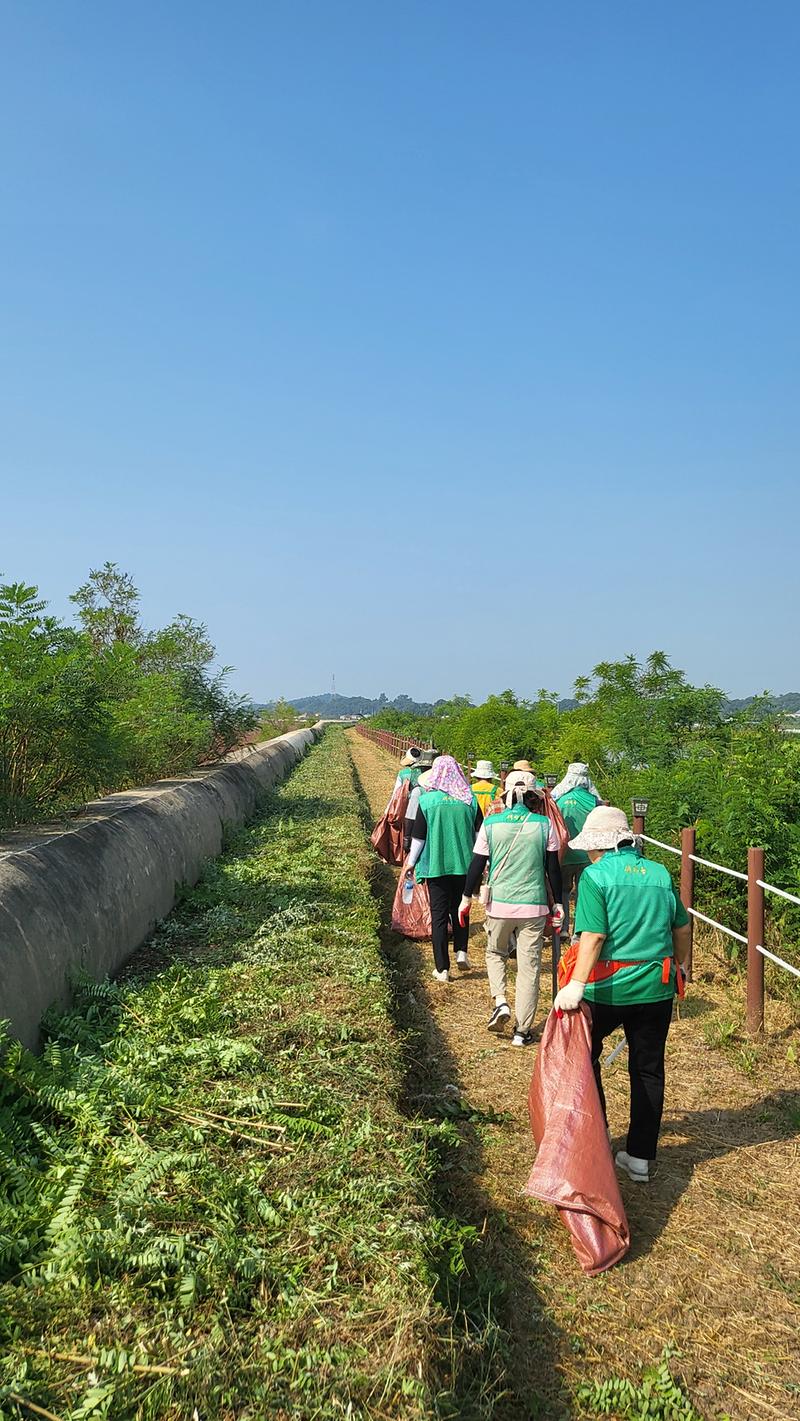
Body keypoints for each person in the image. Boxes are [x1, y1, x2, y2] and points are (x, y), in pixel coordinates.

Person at [552, 806, 691, 1183]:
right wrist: (679, 965)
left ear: (600, 846)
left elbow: (593, 937)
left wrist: (575, 985)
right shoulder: (660, 874)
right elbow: (682, 926)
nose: (590, 855)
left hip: (605, 989)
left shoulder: (596, 878)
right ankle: (641, 1157)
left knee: (586, 1059)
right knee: (648, 1069)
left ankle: (596, 1139)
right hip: (656, 989)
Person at [460, 770, 563, 1046]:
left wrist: (466, 898)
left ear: (505, 796)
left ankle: (501, 1001)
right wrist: (560, 905)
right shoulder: (544, 826)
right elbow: (553, 868)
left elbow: (477, 864)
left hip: (500, 904)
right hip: (534, 906)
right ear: (533, 799)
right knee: (529, 967)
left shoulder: (491, 824)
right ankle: (522, 1031)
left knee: (495, 952)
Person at [404, 756, 482, 982]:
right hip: (465, 866)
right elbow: (479, 836)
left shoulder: (427, 801)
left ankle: (442, 968)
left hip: (435, 866)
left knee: (438, 915)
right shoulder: (469, 800)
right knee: (461, 909)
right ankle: (461, 951)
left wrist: (411, 863)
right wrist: (482, 864)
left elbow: (418, 838)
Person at [553, 763, 601, 934]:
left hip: (565, 854)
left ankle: (564, 928)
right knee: (583, 894)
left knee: (564, 891)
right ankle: (578, 932)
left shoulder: (558, 799)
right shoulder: (594, 801)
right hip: (587, 855)